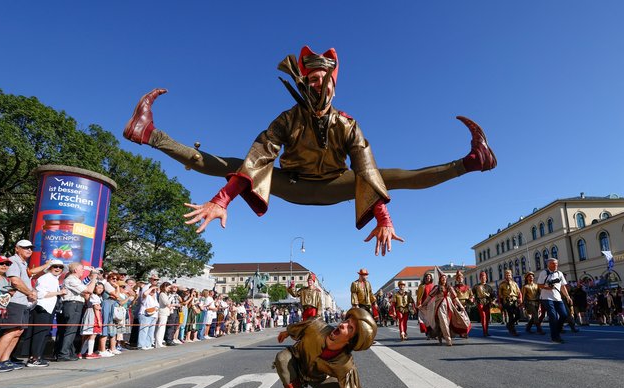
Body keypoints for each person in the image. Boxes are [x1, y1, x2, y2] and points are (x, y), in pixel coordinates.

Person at [124, 47, 496, 257]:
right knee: (231, 164)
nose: (315, 83)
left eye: (321, 78)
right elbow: (257, 160)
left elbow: (368, 173)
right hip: (293, 184)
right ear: (303, 81)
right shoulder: (286, 119)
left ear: (332, 82)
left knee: (396, 176)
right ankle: (150, 134)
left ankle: (472, 161)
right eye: (310, 78)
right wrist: (222, 200)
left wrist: (383, 218)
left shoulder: (348, 125)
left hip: (336, 184)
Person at [274, 307, 386, 388]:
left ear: (350, 341)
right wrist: (286, 332)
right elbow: (298, 328)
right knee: (282, 358)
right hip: (295, 361)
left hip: (317, 378)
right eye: (347, 321)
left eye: (350, 328)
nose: (343, 325)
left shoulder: (344, 362)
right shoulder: (316, 325)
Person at [0, 240, 37, 371]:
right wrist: (30, 293)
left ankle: (5, 360)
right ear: (17, 249)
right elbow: (15, 281)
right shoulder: (13, 261)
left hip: (22, 302)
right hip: (14, 301)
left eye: (30, 248)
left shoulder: (23, 263)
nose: (29, 250)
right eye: (25, 247)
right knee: (11, 330)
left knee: (18, 331)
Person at [25, 259, 67, 367]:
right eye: (55, 266)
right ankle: (33, 358)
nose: (58, 268)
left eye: (60, 267)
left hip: (49, 308)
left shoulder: (54, 279)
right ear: (50, 267)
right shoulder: (45, 278)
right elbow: (40, 294)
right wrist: (59, 292)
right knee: (39, 333)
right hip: (42, 308)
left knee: (44, 333)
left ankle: (37, 357)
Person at [56, 262, 98, 361]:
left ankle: (69, 352)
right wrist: (94, 279)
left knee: (71, 330)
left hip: (75, 305)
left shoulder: (76, 280)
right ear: (75, 270)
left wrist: (90, 277)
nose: (83, 271)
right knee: (70, 330)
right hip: (72, 305)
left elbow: (84, 288)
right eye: (81, 269)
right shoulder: (71, 280)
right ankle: (63, 354)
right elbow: (89, 290)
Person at [418, 274, 471, 346]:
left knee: (450, 322)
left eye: (445, 278)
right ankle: (448, 339)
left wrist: (461, 306)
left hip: (449, 306)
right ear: (440, 280)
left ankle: (442, 336)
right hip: (440, 306)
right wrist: (423, 304)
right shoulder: (437, 288)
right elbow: (429, 297)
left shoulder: (450, 287)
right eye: (442, 278)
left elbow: (455, 298)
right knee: (443, 322)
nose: (444, 279)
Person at [537, 258, 573, 343]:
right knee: (553, 317)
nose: (555, 265)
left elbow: (563, 286)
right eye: (553, 264)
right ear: (548, 265)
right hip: (546, 298)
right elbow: (539, 285)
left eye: (556, 264)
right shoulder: (544, 273)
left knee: (564, 315)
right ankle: (555, 337)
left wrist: (568, 297)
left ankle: (558, 329)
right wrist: (547, 287)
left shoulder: (559, 273)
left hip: (557, 297)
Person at [80, 282, 104, 359]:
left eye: (102, 288)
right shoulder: (94, 296)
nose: (100, 289)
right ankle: (90, 353)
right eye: (99, 287)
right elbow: (96, 309)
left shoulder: (95, 296)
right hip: (93, 315)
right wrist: (99, 321)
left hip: (89, 314)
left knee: (88, 336)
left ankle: (82, 353)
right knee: (93, 334)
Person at [498, 269, 522, 336]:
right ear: (504, 276)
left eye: (509, 275)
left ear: (511, 275)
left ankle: (509, 324)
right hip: (507, 301)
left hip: (515, 300)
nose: (508, 276)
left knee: (518, 315)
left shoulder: (515, 284)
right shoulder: (502, 284)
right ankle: (513, 330)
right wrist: (500, 303)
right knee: (511, 315)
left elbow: (519, 292)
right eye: (506, 275)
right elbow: (499, 295)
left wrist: (520, 299)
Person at [472, 271, 496, 337]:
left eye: (484, 276)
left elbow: (493, 295)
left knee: (487, 317)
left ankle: (486, 331)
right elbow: (472, 294)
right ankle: (484, 331)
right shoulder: (476, 286)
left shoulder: (489, 287)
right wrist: (472, 299)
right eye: (482, 276)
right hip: (480, 302)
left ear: (486, 278)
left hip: (487, 303)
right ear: (480, 278)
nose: (483, 277)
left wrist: (493, 301)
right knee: (483, 316)